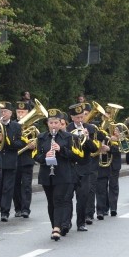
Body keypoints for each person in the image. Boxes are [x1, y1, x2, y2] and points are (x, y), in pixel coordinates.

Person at [35, 110, 80, 241]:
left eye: (56, 122)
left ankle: (57, 228)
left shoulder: (69, 137)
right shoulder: (41, 137)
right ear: (47, 124)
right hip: (47, 173)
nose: (53, 125)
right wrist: (45, 156)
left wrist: (61, 150)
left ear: (61, 124)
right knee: (51, 202)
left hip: (63, 174)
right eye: (51, 122)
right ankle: (55, 225)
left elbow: (76, 156)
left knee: (58, 199)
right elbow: (37, 156)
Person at [66, 103, 100, 233]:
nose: (81, 120)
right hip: (70, 168)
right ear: (72, 117)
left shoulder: (90, 128)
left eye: (82, 117)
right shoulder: (67, 129)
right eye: (77, 117)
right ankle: (66, 222)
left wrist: (87, 138)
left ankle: (81, 222)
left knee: (83, 197)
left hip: (85, 168)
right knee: (67, 197)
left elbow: (94, 149)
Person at [13, 100, 37, 218]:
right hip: (15, 159)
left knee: (26, 184)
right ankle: (18, 207)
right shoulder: (12, 125)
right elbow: (11, 142)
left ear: (28, 113)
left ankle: (26, 209)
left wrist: (33, 145)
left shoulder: (33, 126)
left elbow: (39, 142)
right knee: (15, 184)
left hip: (27, 159)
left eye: (23, 112)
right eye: (18, 111)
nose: (20, 114)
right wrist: (25, 142)